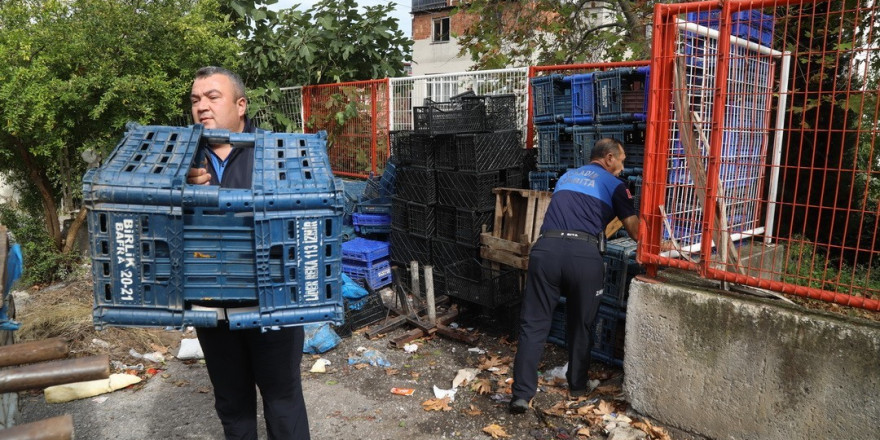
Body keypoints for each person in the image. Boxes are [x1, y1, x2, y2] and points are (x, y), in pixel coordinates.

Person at [186, 66, 310, 439]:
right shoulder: (182, 158)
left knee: (282, 400)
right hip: (212, 305)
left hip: (272, 302)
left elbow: (305, 217)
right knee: (232, 406)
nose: (202, 107)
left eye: (212, 97)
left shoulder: (276, 153)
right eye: (195, 100)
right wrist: (181, 189)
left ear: (241, 105)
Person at [509, 138, 640, 414]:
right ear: (608, 158)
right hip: (583, 256)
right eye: (621, 160)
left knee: (533, 324)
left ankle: (521, 395)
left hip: (546, 250)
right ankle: (577, 386)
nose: (623, 167)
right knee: (581, 324)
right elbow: (635, 231)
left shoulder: (567, 176)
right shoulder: (616, 186)